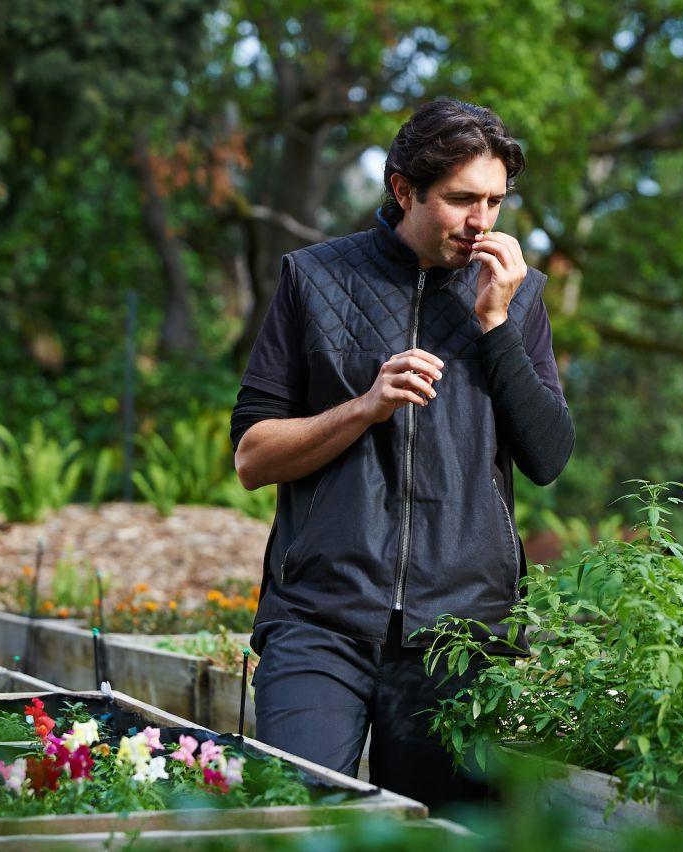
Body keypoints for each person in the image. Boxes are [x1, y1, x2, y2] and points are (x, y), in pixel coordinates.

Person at [228, 98, 574, 809]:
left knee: (442, 834)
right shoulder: (313, 280)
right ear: (403, 190)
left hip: (461, 633)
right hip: (320, 616)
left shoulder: (519, 298)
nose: (481, 222)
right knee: (297, 816)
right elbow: (253, 457)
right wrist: (365, 406)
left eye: (496, 202)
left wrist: (495, 325)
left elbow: (549, 457)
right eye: (461, 200)